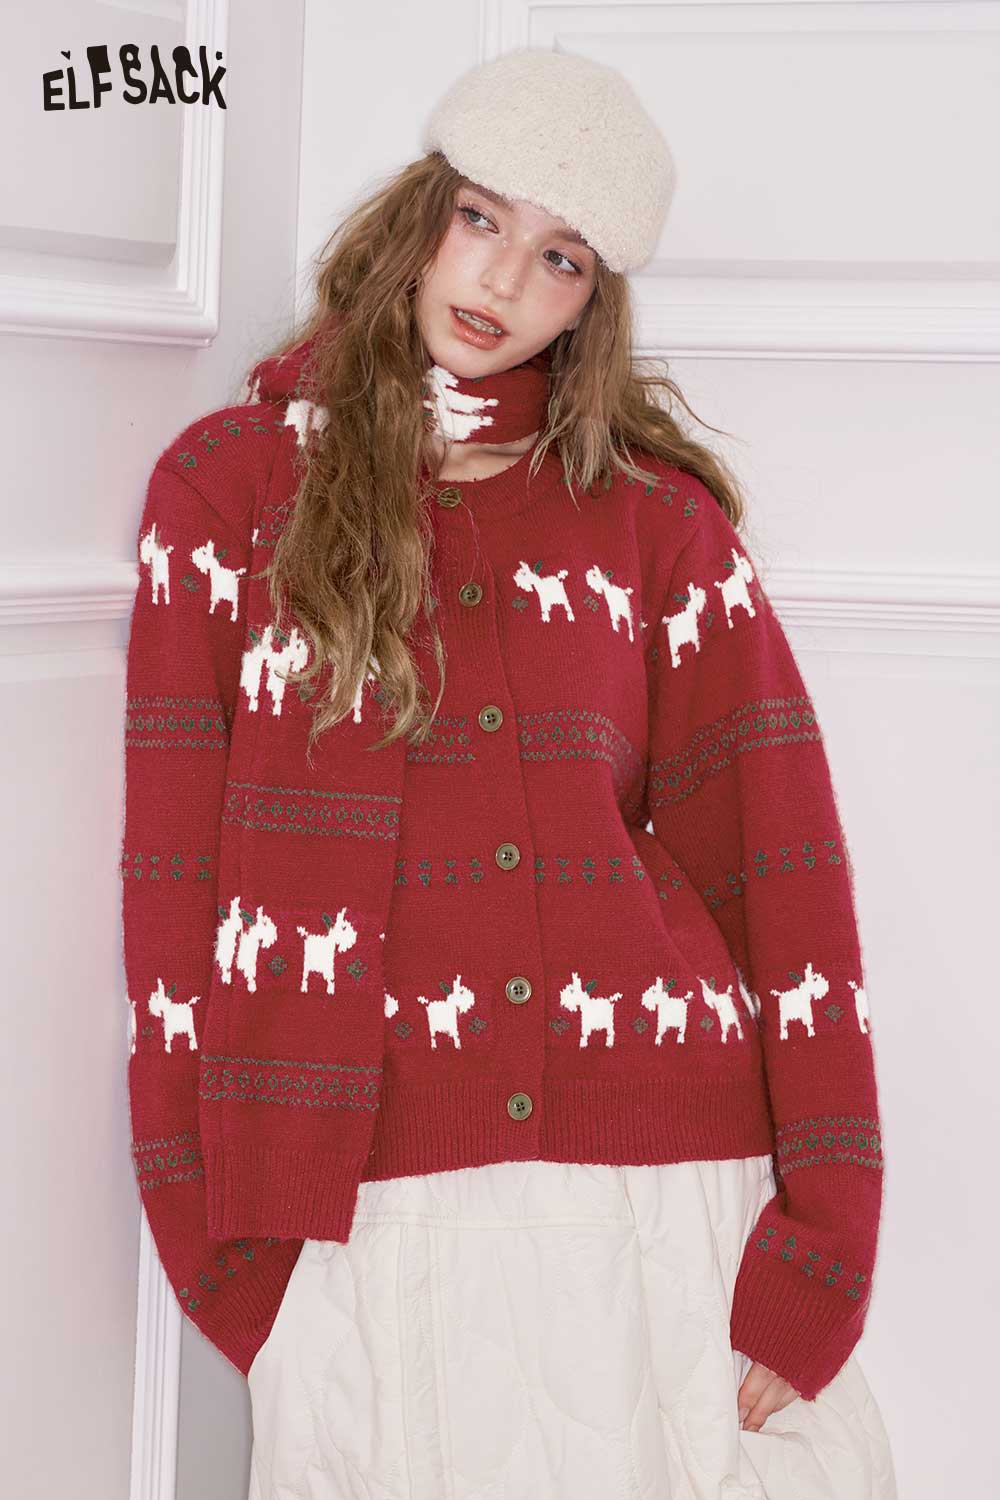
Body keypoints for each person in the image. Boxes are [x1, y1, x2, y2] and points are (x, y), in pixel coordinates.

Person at [121, 48, 898, 1499]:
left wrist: (827, 1241)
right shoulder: (228, 493)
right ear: (422, 210)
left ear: (592, 300)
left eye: (560, 256)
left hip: (660, 1206)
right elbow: (174, 890)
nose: (501, 279)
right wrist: (221, 1250)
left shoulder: (657, 526)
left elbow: (786, 876)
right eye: (481, 217)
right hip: (366, 1213)